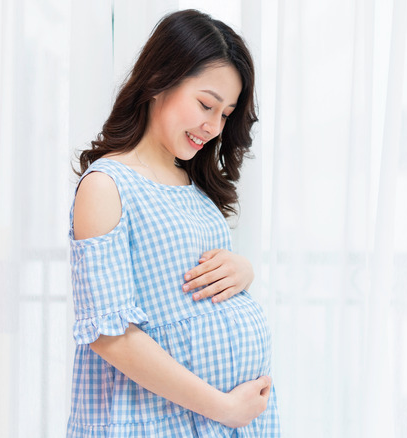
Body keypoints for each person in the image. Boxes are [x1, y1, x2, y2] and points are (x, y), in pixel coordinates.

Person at [66, 9, 279, 437]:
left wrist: (243, 271)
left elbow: (190, 282)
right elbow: (111, 336)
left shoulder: (193, 183)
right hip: (157, 420)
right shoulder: (108, 186)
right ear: (160, 79)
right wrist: (224, 407)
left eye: (225, 114)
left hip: (219, 420)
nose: (213, 126)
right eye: (206, 104)